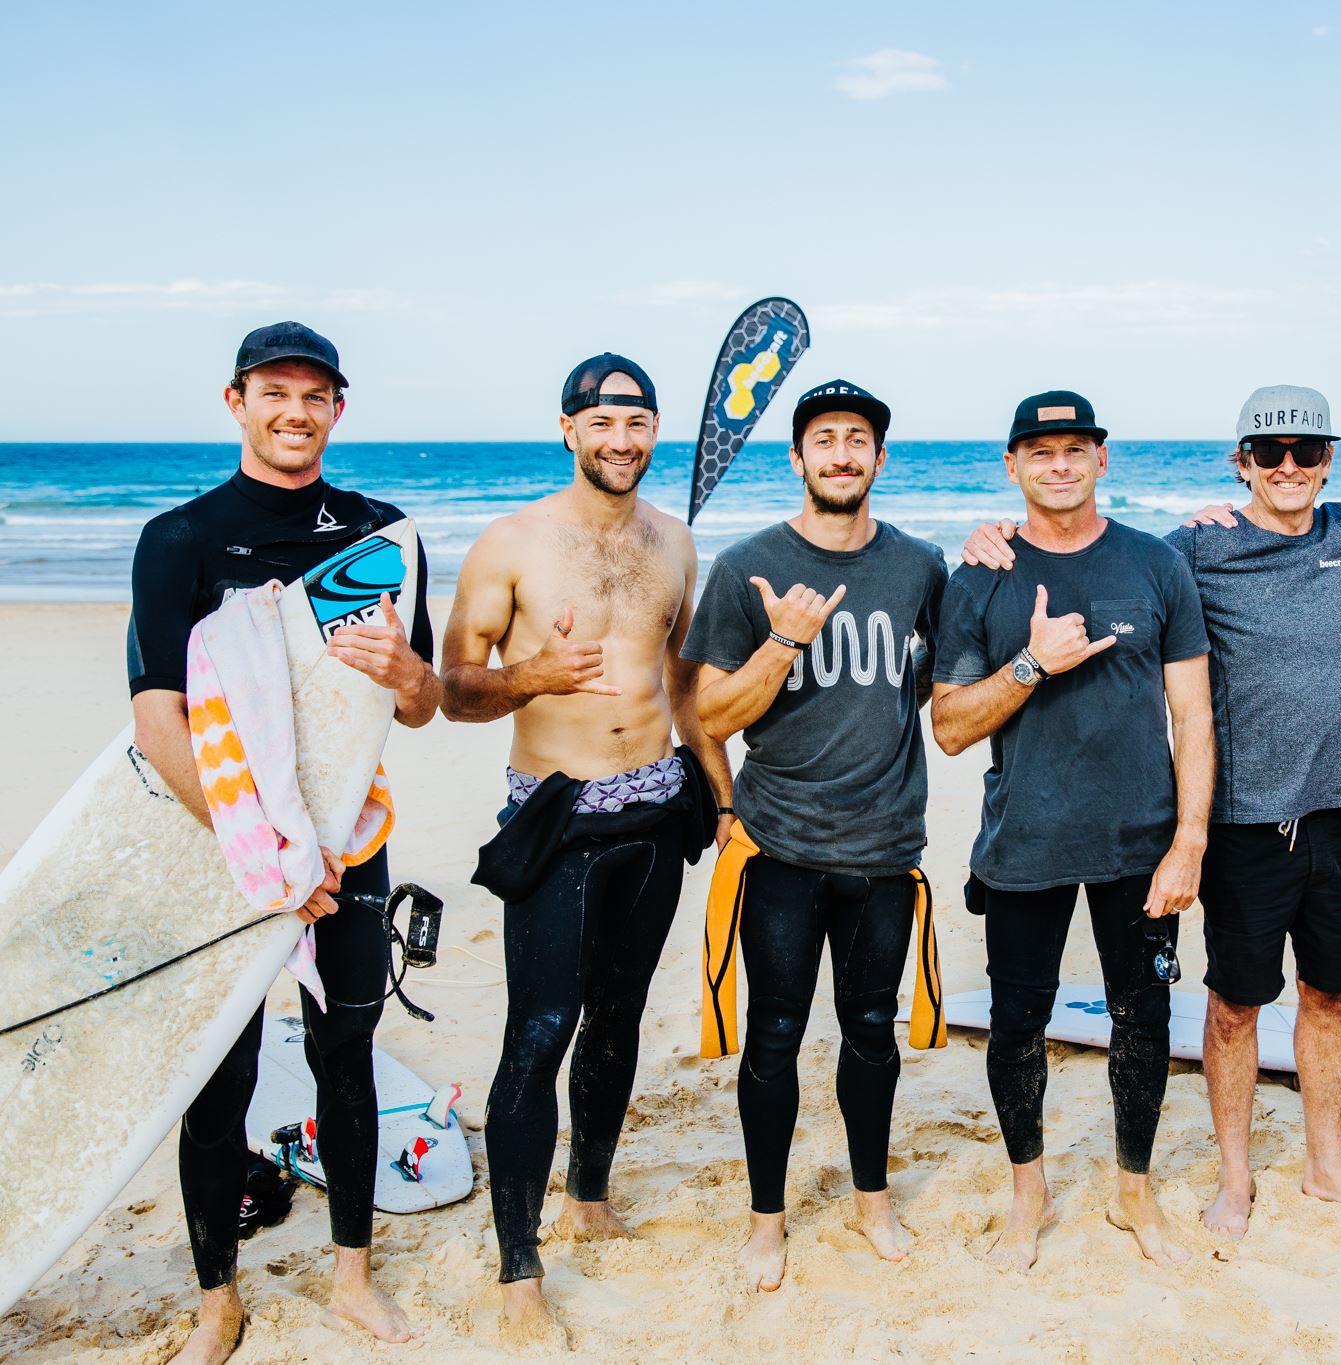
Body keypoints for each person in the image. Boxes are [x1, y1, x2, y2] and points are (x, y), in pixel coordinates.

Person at [965, 388, 1341, 1237]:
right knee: (1235, 1006)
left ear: (1329, 461)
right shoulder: (1195, 547)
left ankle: (1325, 1166)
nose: (1288, 466)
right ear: (1240, 462)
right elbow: (1092, 554)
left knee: (1332, 996)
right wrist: (993, 539)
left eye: (1306, 451)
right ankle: (1236, 1178)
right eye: (1268, 453)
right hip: (1244, 822)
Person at [129, 322, 437, 1363]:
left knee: (344, 1054)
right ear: (237, 402)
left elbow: (420, 704)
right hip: (230, 856)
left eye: (314, 395)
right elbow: (159, 723)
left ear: (337, 409)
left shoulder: (379, 536)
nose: (294, 412)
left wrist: (409, 675)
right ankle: (217, 1299)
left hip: (348, 847)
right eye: (274, 392)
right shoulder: (182, 539)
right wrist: (268, 856)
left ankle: (352, 1274)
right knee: (221, 1076)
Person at [439, 354, 728, 1342]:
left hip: (654, 806)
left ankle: (590, 1195)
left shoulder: (676, 540)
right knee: (539, 1029)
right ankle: (519, 1269)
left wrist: (720, 793)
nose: (621, 439)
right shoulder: (511, 542)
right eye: (602, 421)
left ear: (655, 432)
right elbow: (454, 691)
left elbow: (682, 684)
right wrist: (534, 674)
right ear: (568, 429)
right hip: (557, 815)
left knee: (619, 1015)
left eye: (637, 421)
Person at [929, 390, 1214, 1270]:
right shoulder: (980, 576)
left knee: (1143, 1018)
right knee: (1017, 1023)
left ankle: (1134, 1191)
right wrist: (1031, 664)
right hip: (1026, 840)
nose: (1059, 465)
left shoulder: (1156, 564)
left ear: (1102, 458)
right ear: (1012, 465)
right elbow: (949, 727)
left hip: (1141, 844)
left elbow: (1193, 715)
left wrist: (1190, 842)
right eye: (1040, 451)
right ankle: (1030, 1194)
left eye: (1075, 449)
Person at [681, 380, 949, 1291]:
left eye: (857, 439)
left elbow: (939, 679)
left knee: (872, 1030)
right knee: (775, 1034)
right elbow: (711, 715)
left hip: (884, 847)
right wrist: (783, 641)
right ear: (796, 458)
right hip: (781, 846)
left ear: (879, 458)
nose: (842, 453)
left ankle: (872, 1198)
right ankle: (768, 1219)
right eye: (824, 439)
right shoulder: (746, 564)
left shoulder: (920, 564)